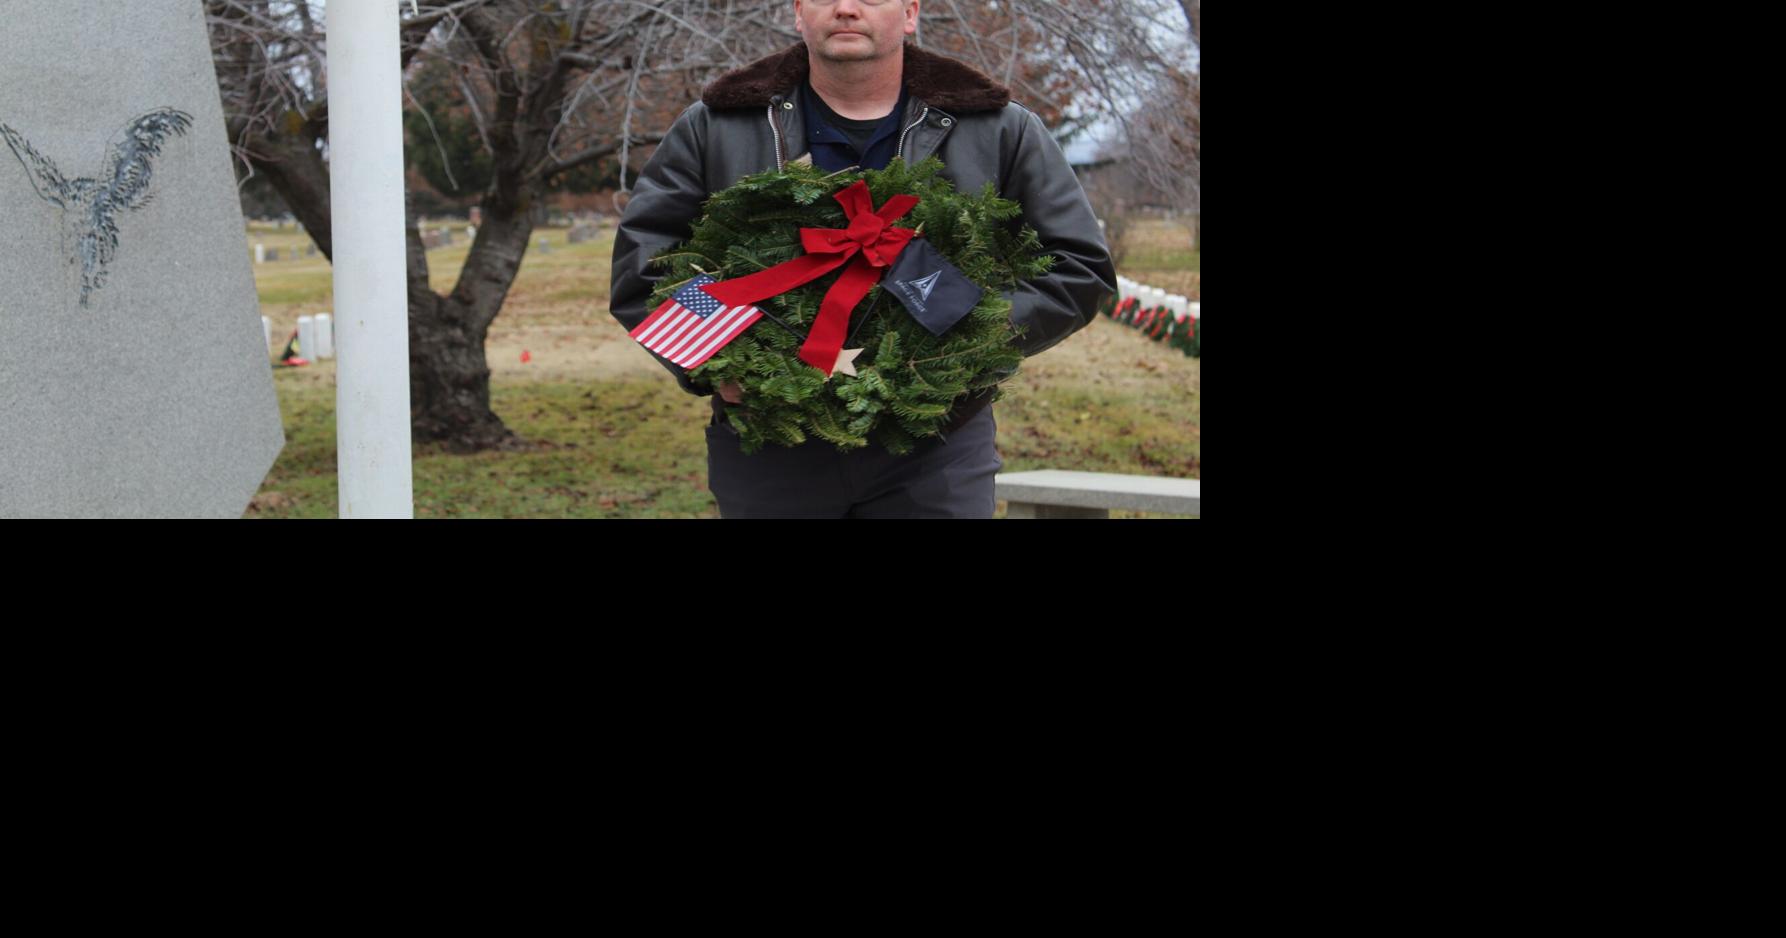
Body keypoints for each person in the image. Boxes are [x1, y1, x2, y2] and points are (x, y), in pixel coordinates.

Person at [609, 0, 1114, 518]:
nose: (847, 9)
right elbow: (645, 263)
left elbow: (1077, 269)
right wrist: (724, 364)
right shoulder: (716, 125)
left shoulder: (998, 127)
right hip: (771, 439)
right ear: (799, 13)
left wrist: (967, 343)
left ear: (911, 12)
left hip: (937, 447)